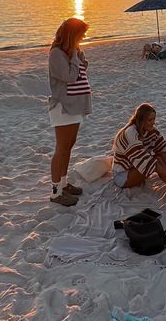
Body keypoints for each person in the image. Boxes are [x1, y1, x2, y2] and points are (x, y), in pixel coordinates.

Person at [48, 17, 91, 206]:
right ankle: (56, 192)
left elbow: (82, 70)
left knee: (69, 146)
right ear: (71, 35)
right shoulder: (56, 54)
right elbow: (70, 77)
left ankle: (64, 184)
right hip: (63, 107)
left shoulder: (70, 51)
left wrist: (79, 56)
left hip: (74, 105)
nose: (82, 38)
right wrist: (74, 55)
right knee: (61, 149)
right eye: (80, 35)